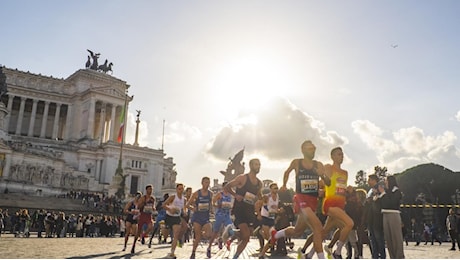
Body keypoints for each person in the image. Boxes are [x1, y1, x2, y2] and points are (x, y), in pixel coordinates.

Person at [270, 140, 326, 259]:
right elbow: (287, 172)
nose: (313, 151)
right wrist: (284, 184)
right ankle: (320, 257)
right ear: (303, 150)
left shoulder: (319, 165)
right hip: (300, 199)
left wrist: (323, 177)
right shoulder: (297, 162)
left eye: (314, 148)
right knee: (318, 227)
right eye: (310, 149)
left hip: (313, 201)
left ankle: (276, 234)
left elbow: (328, 182)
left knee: (297, 231)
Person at [224, 158, 263, 259]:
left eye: (259, 164)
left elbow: (258, 196)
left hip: (250, 211)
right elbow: (227, 186)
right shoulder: (243, 178)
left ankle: (232, 236)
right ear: (250, 166)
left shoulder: (260, 183)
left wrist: (261, 200)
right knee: (245, 234)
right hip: (240, 209)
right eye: (256, 164)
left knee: (246, 237)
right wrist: (235, 195)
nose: (258, 166)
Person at [186, 177, 214, 259]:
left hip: (205, 218)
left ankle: (208, 248)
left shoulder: (210, 194)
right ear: (202, 183)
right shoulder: (196, 193)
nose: (207, 184)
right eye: (206, 182)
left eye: (208, 183)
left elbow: (211, 204)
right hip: (197, 218)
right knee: (198, 237)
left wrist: (212, 210)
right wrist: (193, 208)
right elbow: (187, 205)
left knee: (209, 234)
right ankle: (193, 252)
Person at [378, 175, 405, 259]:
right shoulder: (386, 192)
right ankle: (392, 257)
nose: (385, 182)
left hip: (394, 214)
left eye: (386, 180)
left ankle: (399, 256)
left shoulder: (396, 191)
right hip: (385, 215)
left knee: (396, 238)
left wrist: (383, 194)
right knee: (389, 239)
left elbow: (391, 204)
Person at [207, 182, 234, 256]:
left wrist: (231, 207)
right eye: (226, 187)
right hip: (219, 215)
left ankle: (224, 240)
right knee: (215, 232)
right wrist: (217, 205)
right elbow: (213, 202)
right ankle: (209, 247)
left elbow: (231, 204)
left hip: (227, 215)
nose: (227, 188)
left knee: (231, 231)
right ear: (223, 187)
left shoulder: (230, 195)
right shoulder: (220, 194)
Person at [363, 174, 385, 259]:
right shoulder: (370, 190)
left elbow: (380, 200)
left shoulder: (379, 188)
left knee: (378, 238)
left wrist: (372, 199)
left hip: (377, 218)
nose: (368, 182)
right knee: (372, 239)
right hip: (370, 218)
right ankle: (375, 255)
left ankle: (381, 256)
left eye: (369, 180)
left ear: (374, 180)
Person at [256, 182, 280, 258]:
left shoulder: (277, 196)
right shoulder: (267, 197)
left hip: (272, 218)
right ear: (270, 189)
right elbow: (257, 204)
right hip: (265, 218)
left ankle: (262, 254)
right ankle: (261, 233)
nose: (276, 189)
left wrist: (278, 210)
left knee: (272, 238)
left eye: (277, 188)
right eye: (275, 188)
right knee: (268, 237)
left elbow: (275, 208)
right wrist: (259, 214)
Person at [163, 183, 187, 259]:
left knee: (176, 235)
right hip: (169, 217)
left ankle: (172, 252)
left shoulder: (184, 199)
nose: (180, 190)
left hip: (176, 218)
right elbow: (164, 205)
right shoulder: (173, 197)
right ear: (176, 189)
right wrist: (170, 209)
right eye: (179, 189)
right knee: (165, 235)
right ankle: (162, 229)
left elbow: (184, 208)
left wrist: (185, 212)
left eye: (182, 189)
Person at [131, 185, 156, 254]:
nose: (150, 191)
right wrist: (144, 203)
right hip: (142, 215)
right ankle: (133, 246)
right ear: (146, 190)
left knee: (151, 226)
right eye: (149, 189)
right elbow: (138, 206)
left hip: (149, 215)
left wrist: (153, 208)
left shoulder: (153, 198)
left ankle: (143, 236)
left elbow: (153, 205)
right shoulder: (143, 198)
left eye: (151, 189)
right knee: (138, 231)